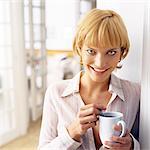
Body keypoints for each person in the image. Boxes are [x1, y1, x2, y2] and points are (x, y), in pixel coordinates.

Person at [38, 8, 140, 150]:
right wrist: (73, 132)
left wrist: (132, 146)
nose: (99, 63)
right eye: (91, 51)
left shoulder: (135, 93)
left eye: (111, 52)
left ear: (121, 53)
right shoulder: (56, 93)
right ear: (80, 48)